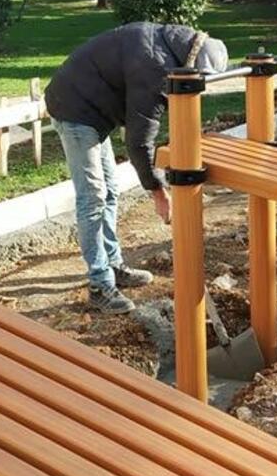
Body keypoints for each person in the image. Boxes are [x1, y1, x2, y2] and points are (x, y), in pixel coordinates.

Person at [45, 22, 229, 314]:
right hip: (74, 109)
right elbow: (139, 141)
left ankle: (113, 265)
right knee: (93, 195)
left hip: (93, 108)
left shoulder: (167, 44)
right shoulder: (155, 66)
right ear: (192, 62)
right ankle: (99, 285)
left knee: (110, 191)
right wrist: (158, 190)